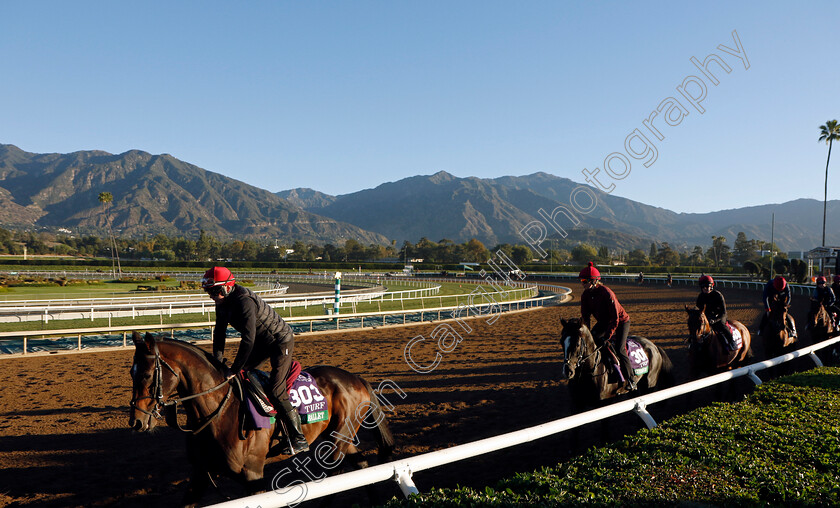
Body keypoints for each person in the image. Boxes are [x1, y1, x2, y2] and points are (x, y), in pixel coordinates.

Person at [202, 266, 309, 455]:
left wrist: (234, 368)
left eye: (215, 291)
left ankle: (298, 437)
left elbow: (248, 340)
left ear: (227, 287)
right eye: (208, 291)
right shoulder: (222, 302)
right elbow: (219, 333)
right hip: (260, 341)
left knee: (276, 391)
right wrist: (218, 362)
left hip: (279, 341)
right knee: (240, 377)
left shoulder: (244, 302)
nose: (212, 295)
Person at [579, 262, 636, 394]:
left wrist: (607, 336)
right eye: (581, 281)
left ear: (594, 281)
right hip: (604, 322)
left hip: (621, 322)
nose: (582, 284)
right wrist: (586, 333)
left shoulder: (607, 293)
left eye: (584, 281)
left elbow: (615, 319)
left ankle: (630, 379)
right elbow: (585, 318)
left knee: (620, 349)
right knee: (592, 343)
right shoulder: (585, 295)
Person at [695, 275, 736, 350]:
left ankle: (731, 342)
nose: (707, 288)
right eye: (704, 287)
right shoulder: (700, 297)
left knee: (721, 325)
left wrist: (715, 320)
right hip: (707, 317)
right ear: (701, 287)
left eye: (708, 286)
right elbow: (698, 310)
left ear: (711, 286)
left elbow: (723, 312)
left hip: (720, 316)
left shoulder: (718, 295)